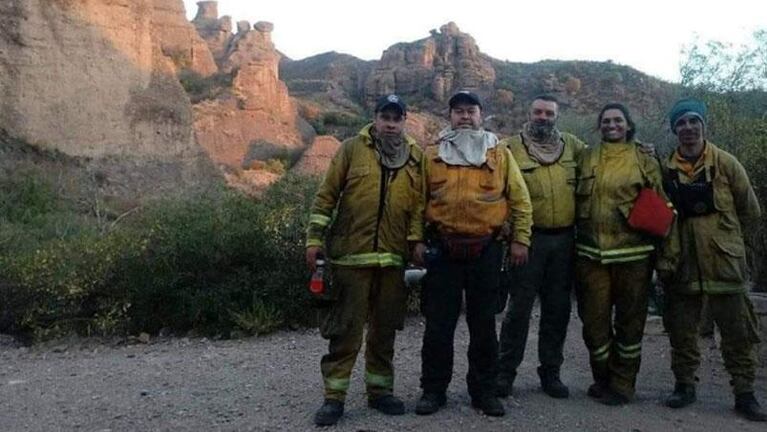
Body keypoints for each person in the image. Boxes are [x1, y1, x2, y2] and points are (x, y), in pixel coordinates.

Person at [305, 94, 425, 426]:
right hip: (350, 258)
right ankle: (334, 398)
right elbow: (327, 195)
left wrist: (416, 241)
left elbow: (418, 205)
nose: (390, 123)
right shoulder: (350, 149)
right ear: (375, 118)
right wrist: (314, 239)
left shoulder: (415, 156)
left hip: (393, 261)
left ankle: (380, 392)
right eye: (384, 117)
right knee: (345, 330)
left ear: (404, 121)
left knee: (385, 330)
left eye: (396, 118)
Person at [415, 90, 533, 417]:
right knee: (439, 325)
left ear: (481, 115)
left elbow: (520, 200)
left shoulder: (500, 154)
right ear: (449, 116)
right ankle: (433, 390)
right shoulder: (431, 154)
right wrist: (416, 240)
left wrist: (520, 239)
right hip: (443, 250)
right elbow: (416, 201)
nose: (465, 116)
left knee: (484, 326)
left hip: (486, 250)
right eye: (459, 112)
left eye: (471, 111)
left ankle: (484, 392)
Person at [660, 98, 765, 422]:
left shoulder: (727, 163)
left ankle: (745, 393)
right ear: (675, 129)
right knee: (681, 330)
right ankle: (684, 385)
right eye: (682, 124)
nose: (688, 128)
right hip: (684, 261)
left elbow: (751, 211)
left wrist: (730, 242)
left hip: (725, 263)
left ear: (704, 125)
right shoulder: (666, 171)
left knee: (738, 332)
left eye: (694, 122)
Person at [574, 102, 675, 406]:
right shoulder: (586, 156)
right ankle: (602, 378)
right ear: (599, 125)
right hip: (591, 256)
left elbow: (661, 206)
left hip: (634, 256)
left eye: (618, 120)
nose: (611, 125)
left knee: (630, 323)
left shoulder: (644, 157)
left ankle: (622, 385)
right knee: (594, 324)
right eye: (606, 121)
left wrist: (667, 255)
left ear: (629, 125)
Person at [495, 95, 586, 399]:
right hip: (527, 241)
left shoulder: (572, 146)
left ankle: (551, 373)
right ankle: (504, 374)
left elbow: (605, 161)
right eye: (538, 111)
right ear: (529, 113)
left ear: (556, 116)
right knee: (518, 310)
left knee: (557, 311)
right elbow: (497, 192)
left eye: (549, 113)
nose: (543, 117)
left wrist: (639, 148)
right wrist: (512, 236)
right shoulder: (509, 147)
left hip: (565, 242)